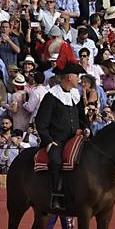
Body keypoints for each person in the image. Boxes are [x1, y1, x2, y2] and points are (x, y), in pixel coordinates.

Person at [34, 60, 86, 209]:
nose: (79, 79)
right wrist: (49, 141)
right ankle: (56, 196)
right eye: (77, 76)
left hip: (76, 138)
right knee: (56, 161)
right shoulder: (51, 96)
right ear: (70, 77)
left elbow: (83, 118)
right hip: (57, 141)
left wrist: (87, 128)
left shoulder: (76, 95)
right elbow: (41, 123)